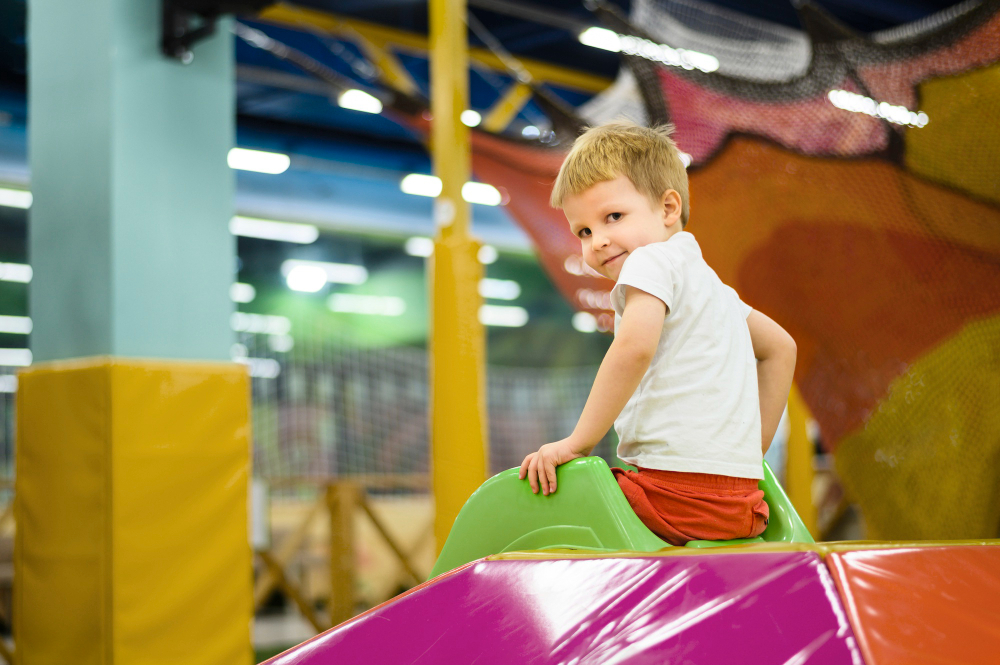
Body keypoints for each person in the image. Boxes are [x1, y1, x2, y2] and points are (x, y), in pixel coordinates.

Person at [519, 121, 797, 545]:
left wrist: (578, 443)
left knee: (547, 506)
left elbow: (633, 349)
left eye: (613, 217)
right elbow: (781, 347)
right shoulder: (714, 290)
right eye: (584, 231)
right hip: (743, 505)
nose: (598, 241)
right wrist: (749, 452)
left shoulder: (649, 262)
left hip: (674, 498)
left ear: (668, 208)